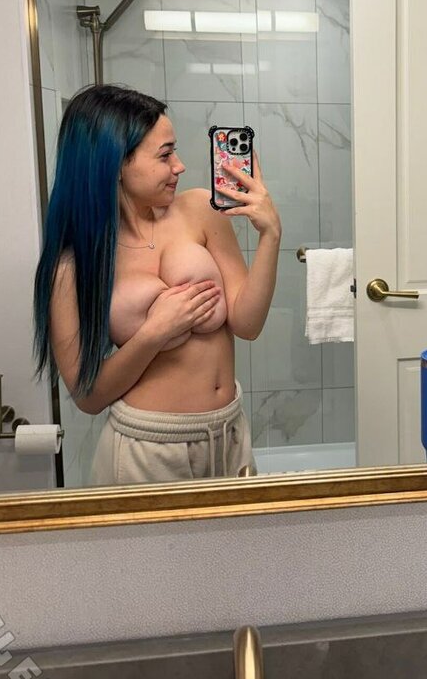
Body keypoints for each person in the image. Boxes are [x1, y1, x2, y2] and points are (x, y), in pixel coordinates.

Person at [32, 84, 281, 484]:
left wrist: (270, 235)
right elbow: (88, 398)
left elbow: (247, 324)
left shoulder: (200, 209)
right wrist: (155, 332)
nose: (179, 166)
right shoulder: (73, 265)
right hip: (147, 452)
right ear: (115, 164)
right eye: (165, 155)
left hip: (229, 435)